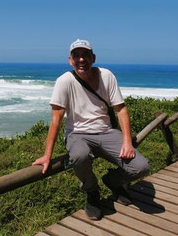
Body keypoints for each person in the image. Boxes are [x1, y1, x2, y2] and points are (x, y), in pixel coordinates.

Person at [32, 39, 150, 220]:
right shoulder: (64, 81)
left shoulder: (106, 75)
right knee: (79, 156)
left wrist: (127, 141)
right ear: (70, 60)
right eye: (76, 55)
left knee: (141, 167)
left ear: (93, 58)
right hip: (77, 134)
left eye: (85, 55)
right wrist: (47, 155)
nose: (81, 59)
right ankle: (92, 191)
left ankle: (112, 181)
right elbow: (56, 120)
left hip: (107, 132)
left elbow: (121, 109)